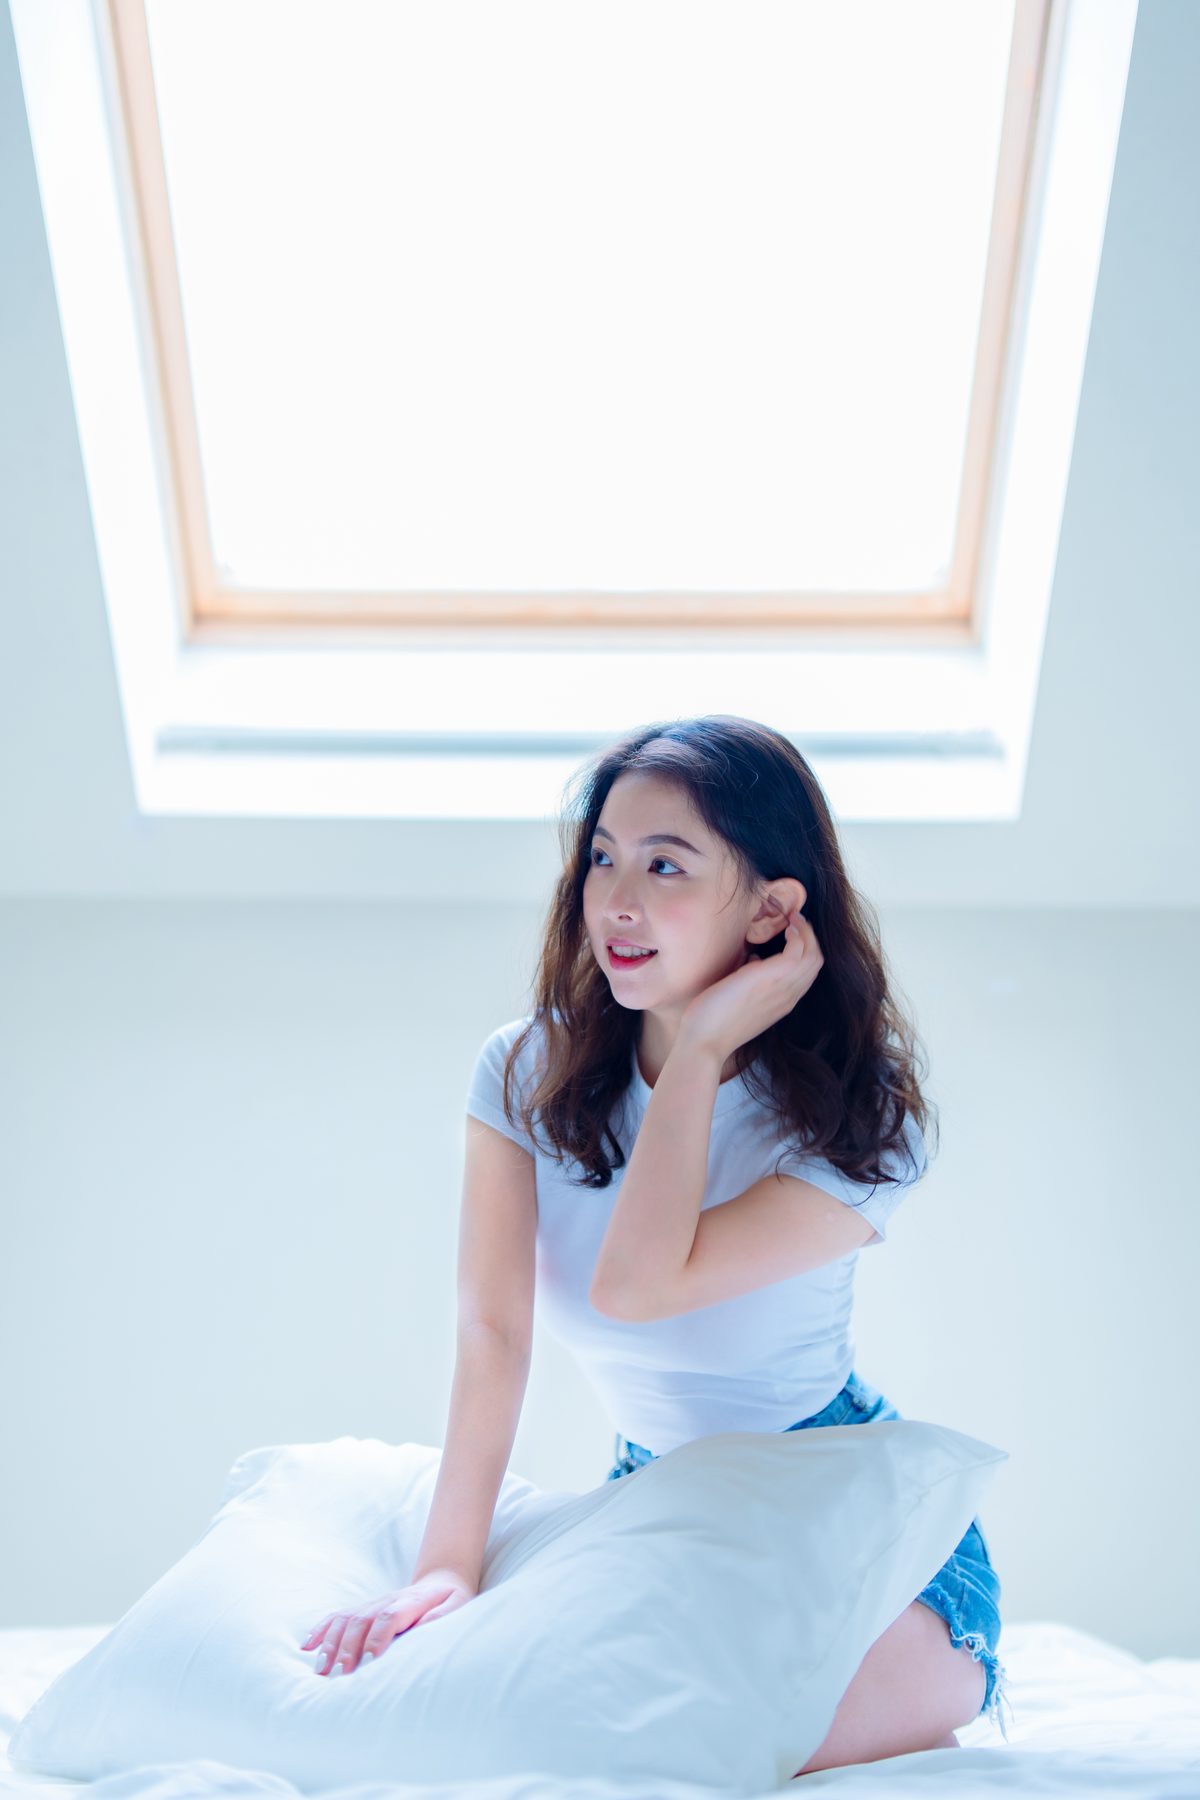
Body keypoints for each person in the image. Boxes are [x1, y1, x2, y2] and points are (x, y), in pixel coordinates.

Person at [299, 714, 1011, 1773]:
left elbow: (637, 1285)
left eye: (666, 865)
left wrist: (705, 1044)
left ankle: (898, 1711)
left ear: (771, 911)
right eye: (602, 859)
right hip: (660, 1507)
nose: (617, 902)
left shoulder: (859, 1123)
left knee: (692, 1740)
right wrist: (447, 1567)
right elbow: (494, 1336)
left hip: (863, 1533)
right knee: (559, 1729)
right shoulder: (522, 1073)